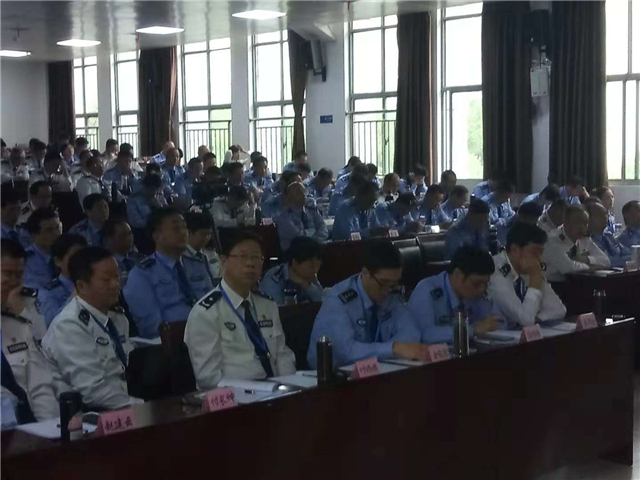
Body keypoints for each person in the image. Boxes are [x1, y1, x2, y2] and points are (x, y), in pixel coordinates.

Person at [185, 231, 296, 389]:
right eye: (243, 257)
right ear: (223, 262)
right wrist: (255, 390)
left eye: (256, 257)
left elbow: (282, 354)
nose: (250, 264)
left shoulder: (267, 305)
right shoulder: (205, 313)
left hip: (276, 391)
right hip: (236, 397)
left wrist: (288, 387)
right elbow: (208, 378)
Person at [41, 247, 141, 410]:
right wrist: (142, 406)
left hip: (123, 401)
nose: (115, 285)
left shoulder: (117, 317)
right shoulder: (69, 324)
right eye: (106, 280)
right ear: (81, 286)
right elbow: (92, 391)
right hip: (87, 413)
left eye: (116, 277)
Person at [308, 241, 426, 368]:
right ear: (365, 273)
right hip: (330, 373)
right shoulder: (338, 300)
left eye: (393, 285)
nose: (387, 291)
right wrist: (393, 348)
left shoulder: (392, 293)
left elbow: (411, 333)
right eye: (383, 283)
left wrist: (394, 349)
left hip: (375, 369)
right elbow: (348, 352)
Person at [124, 208, 214, 338]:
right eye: (176, 228)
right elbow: (151, 326)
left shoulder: (197, 264)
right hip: (173, 342)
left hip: (211, 334)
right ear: (157, 236)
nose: (183, 232)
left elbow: (214, 303)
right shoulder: (142, 274)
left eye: (184, 227)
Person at [1, 239, 58, 424]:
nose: (13, 282)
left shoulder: (22, 316)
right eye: (6, 273)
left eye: (18, 275)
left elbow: (40, 385)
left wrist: (51, 429)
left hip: (28, 424)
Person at [408, 245, 503, 344]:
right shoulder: (426, 290)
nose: (482, 289)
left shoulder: (479, 294)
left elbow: (499, 322)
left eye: (486, 283)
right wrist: (470, 330)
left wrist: (490, 325)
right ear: (458, 275)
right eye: (476, 284)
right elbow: (424, 334)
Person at [488, 223, 566, 327]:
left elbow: (559, 309)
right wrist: (535, 279)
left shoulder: (527, 268)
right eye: (534, 253)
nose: (539, 259)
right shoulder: (496, 271)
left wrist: (536, 318)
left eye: (540, 253)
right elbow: (526, 320)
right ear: (515, 250)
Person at [542, 205, 610, 281]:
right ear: (566, 223)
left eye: (585, 223)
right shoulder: (553, 240)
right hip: (552, 283)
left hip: (577, 282)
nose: (582, 227)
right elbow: (567, 267)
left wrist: (585, 259)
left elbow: (606, 261)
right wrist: (589, 267)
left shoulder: (584, 239)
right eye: (578, 223)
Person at [37, 234, 88, 328]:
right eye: (75, 256)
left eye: (84, 255)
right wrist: (74, 297)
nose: (81, 261)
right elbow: (51, 326)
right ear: (58, 261)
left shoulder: (94, 286)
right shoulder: (48, 292)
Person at [260, 237, 324, 305]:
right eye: (311, 266)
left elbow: (322, 300)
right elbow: (273, 308)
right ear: (295, 263)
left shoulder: (310, 275)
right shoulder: (274, 279)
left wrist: (306, 285)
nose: (315, 270)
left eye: (318, 266)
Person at [274, 182, 328, 251]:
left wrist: (315, 241)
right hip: (293, 252)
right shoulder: (284, 216)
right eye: (298, 192)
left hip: (315, 248)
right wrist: (313, 231)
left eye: (304, 191)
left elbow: (323, 229)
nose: (303, 194)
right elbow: (299, 237)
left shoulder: (311, 210)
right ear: (289, 197)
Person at [24, 208, 62, 289]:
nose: (56, 233)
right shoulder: (26, 261)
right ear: (34, 235)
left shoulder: (68, 253)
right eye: (49, 230)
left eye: (57, 227)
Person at [586, 202, 630, 268]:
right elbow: (607, 262)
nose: (605, 217)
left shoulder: (609, 237)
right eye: (599, 215)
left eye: (605, 214)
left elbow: (627, 252)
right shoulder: (587, 241)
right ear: (588, 218)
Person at [102, 218, 144, 287]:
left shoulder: (140, 258)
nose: (129, 238)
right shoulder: (105, 266)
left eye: (130, 233)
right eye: (123, 236)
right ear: (109, 239)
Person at [183, 212, 221, 285]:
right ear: (189, 233)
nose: (207, 238)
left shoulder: (211, 253)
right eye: (203, 234)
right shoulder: (180, 258)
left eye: (209, 234)